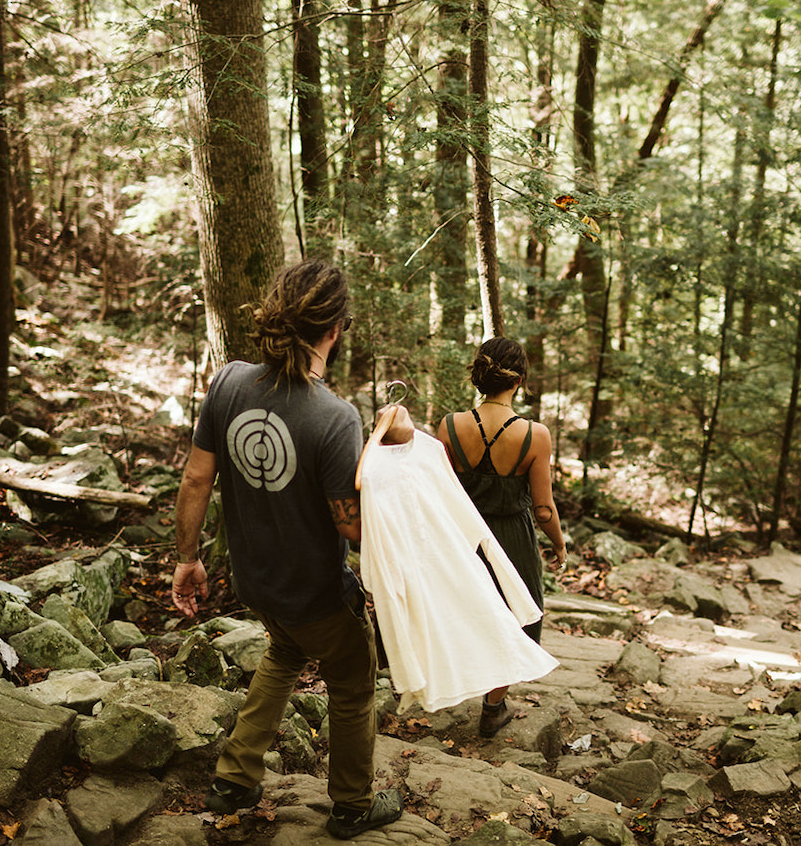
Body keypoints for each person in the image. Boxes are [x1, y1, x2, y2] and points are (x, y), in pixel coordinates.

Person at [171, 259, 402, 839]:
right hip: (318, 594)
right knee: (353, 681)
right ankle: (352, 804)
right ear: (335, 330)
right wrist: (388, 460)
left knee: (283, 654)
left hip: (256, 585)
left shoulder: (228, 383)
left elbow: (196, 479)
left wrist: (187, 558)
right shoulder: (334, 417)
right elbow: (351, 530)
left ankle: (235, 776)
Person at [434, 336, 567, 737]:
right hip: (511, 539)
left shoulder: (449, 425)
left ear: (479, 377)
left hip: (462, 537)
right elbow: (543, 508)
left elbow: (439, 490)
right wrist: (558, 543)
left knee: (465, 611)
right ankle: (493, 707)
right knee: (515, 618)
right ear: (520, 380)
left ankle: (455, 684)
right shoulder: (535, 435)